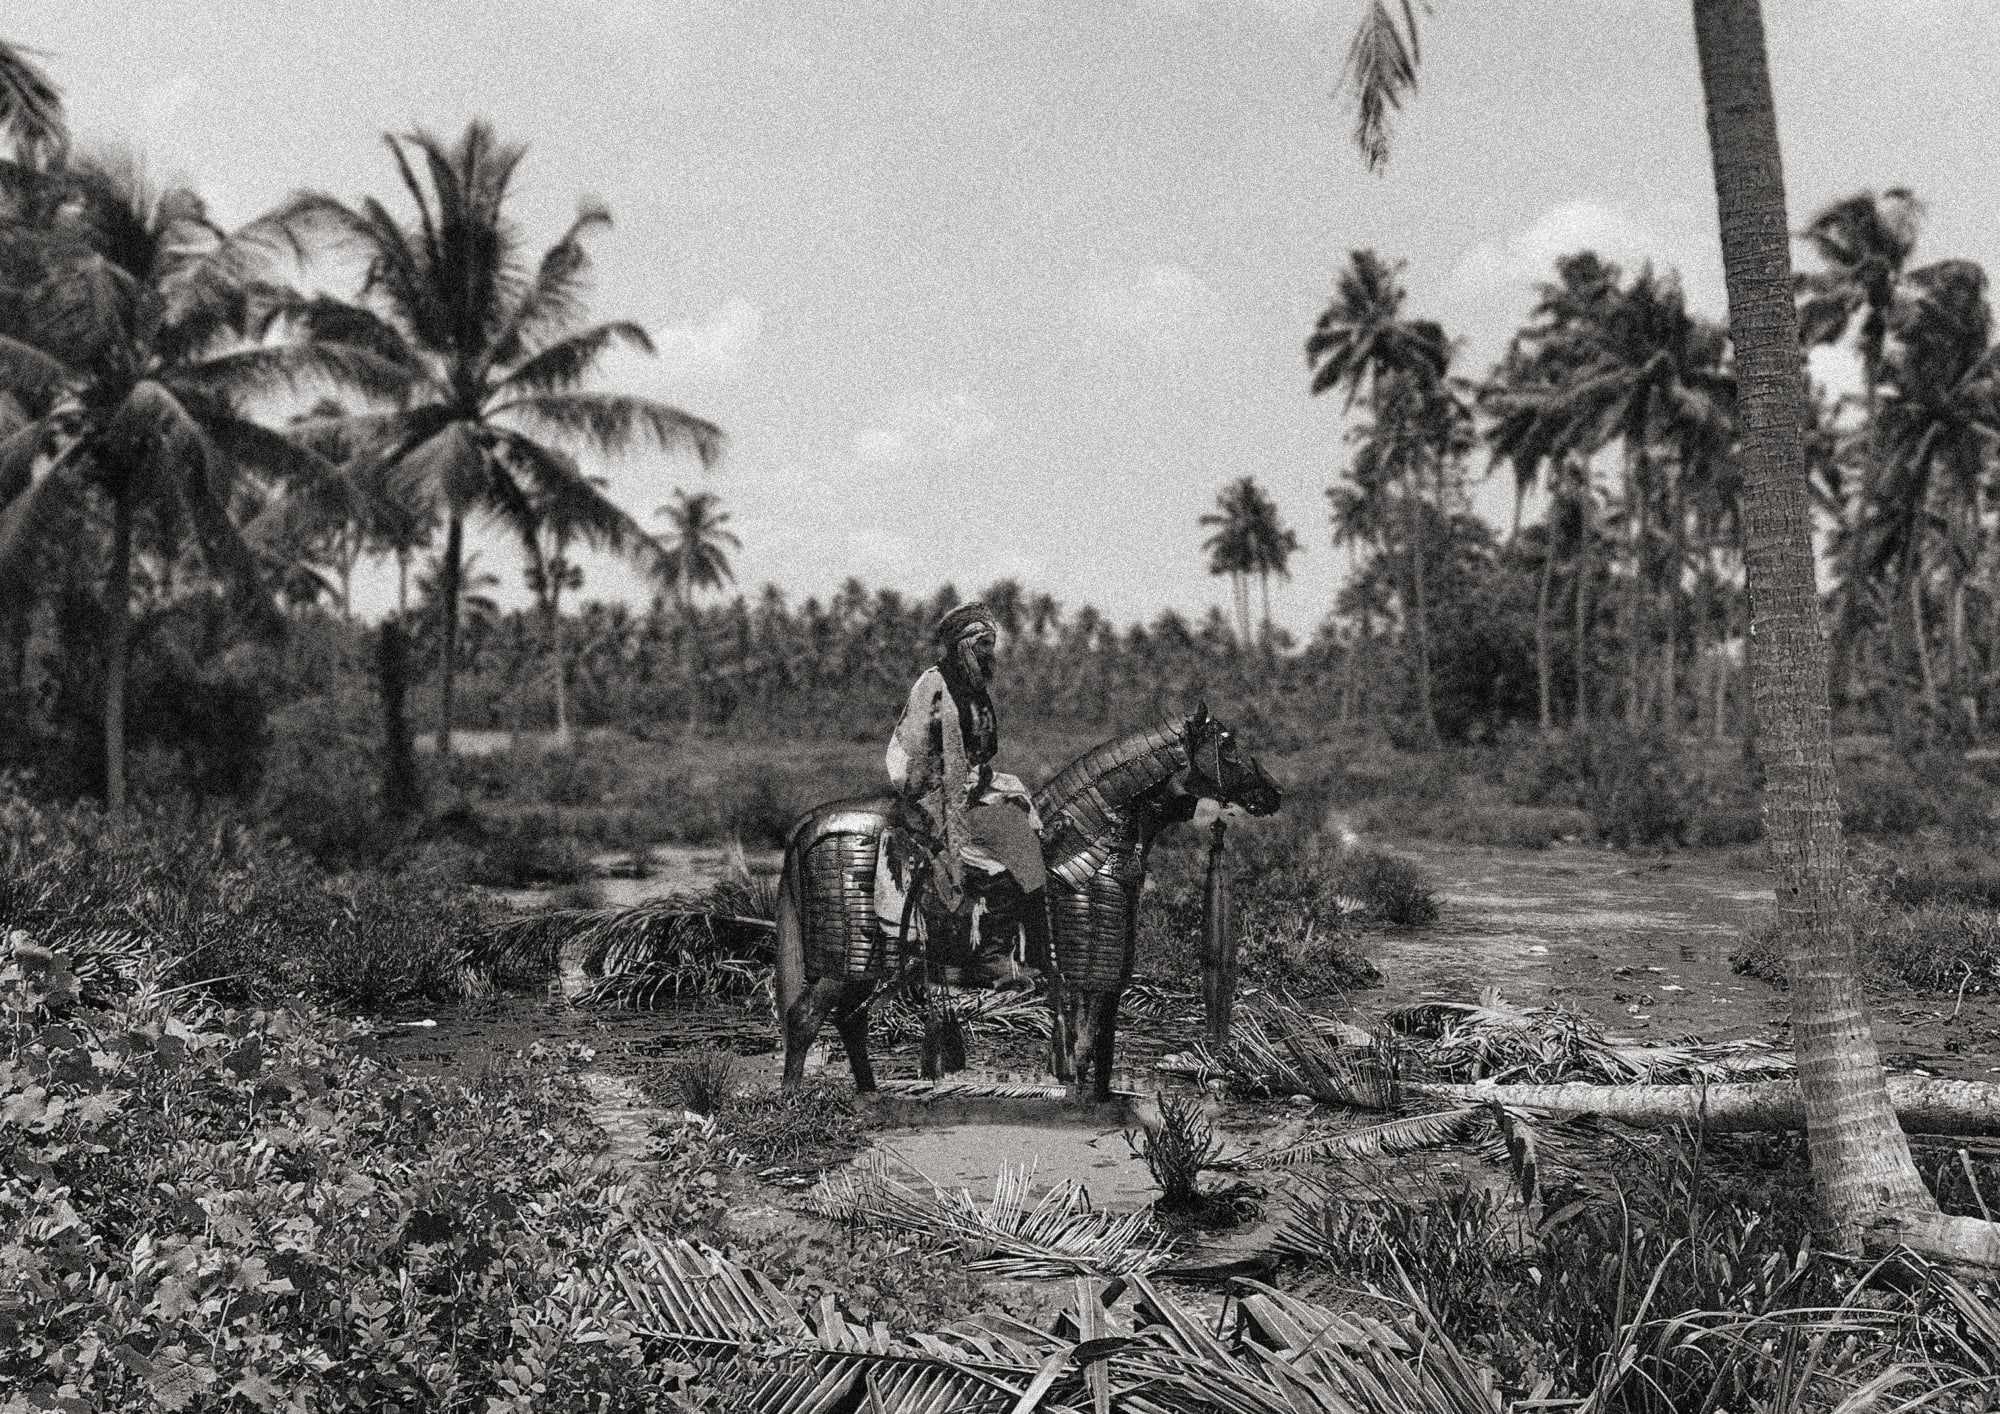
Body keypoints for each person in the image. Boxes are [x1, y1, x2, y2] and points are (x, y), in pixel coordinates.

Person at [879, 601, 1053, 979]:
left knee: (1034, 833)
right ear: (962, 645)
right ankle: (991, 958)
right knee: (1005, 857)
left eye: (992, 644)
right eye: (983, 644)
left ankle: (1035, 949)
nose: (990, 653)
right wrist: (944, 798)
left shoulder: (974, 687)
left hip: (972, 786)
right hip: (934, 794)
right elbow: (919, 753)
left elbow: (979, 753)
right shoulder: (934, 685)